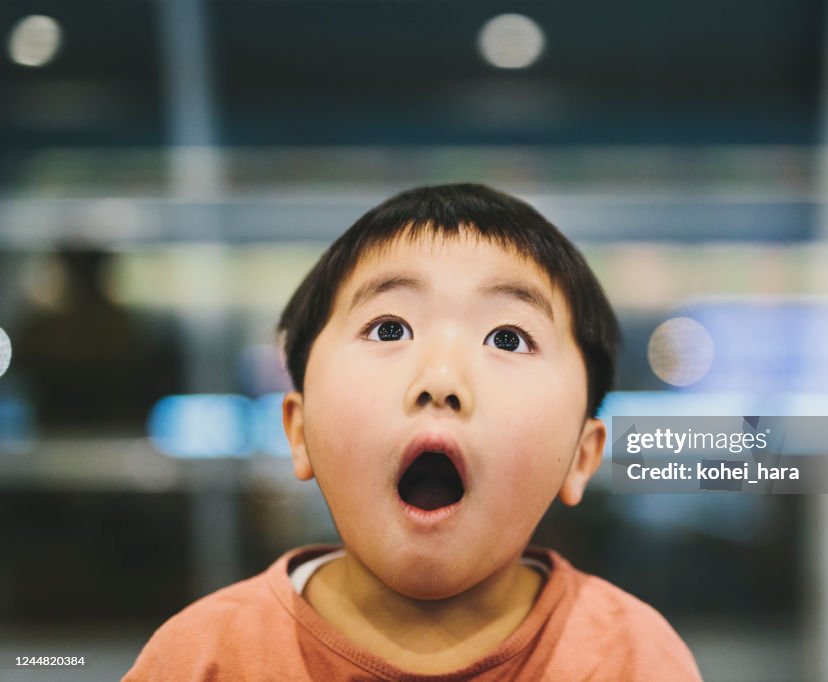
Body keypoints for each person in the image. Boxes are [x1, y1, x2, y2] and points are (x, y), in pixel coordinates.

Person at [125, 184, 702, 680]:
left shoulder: (634, 658)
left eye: (507, 338)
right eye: (389, 328)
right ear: (298, 430)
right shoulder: (201, 660)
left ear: (582, 455)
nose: (442, 379)